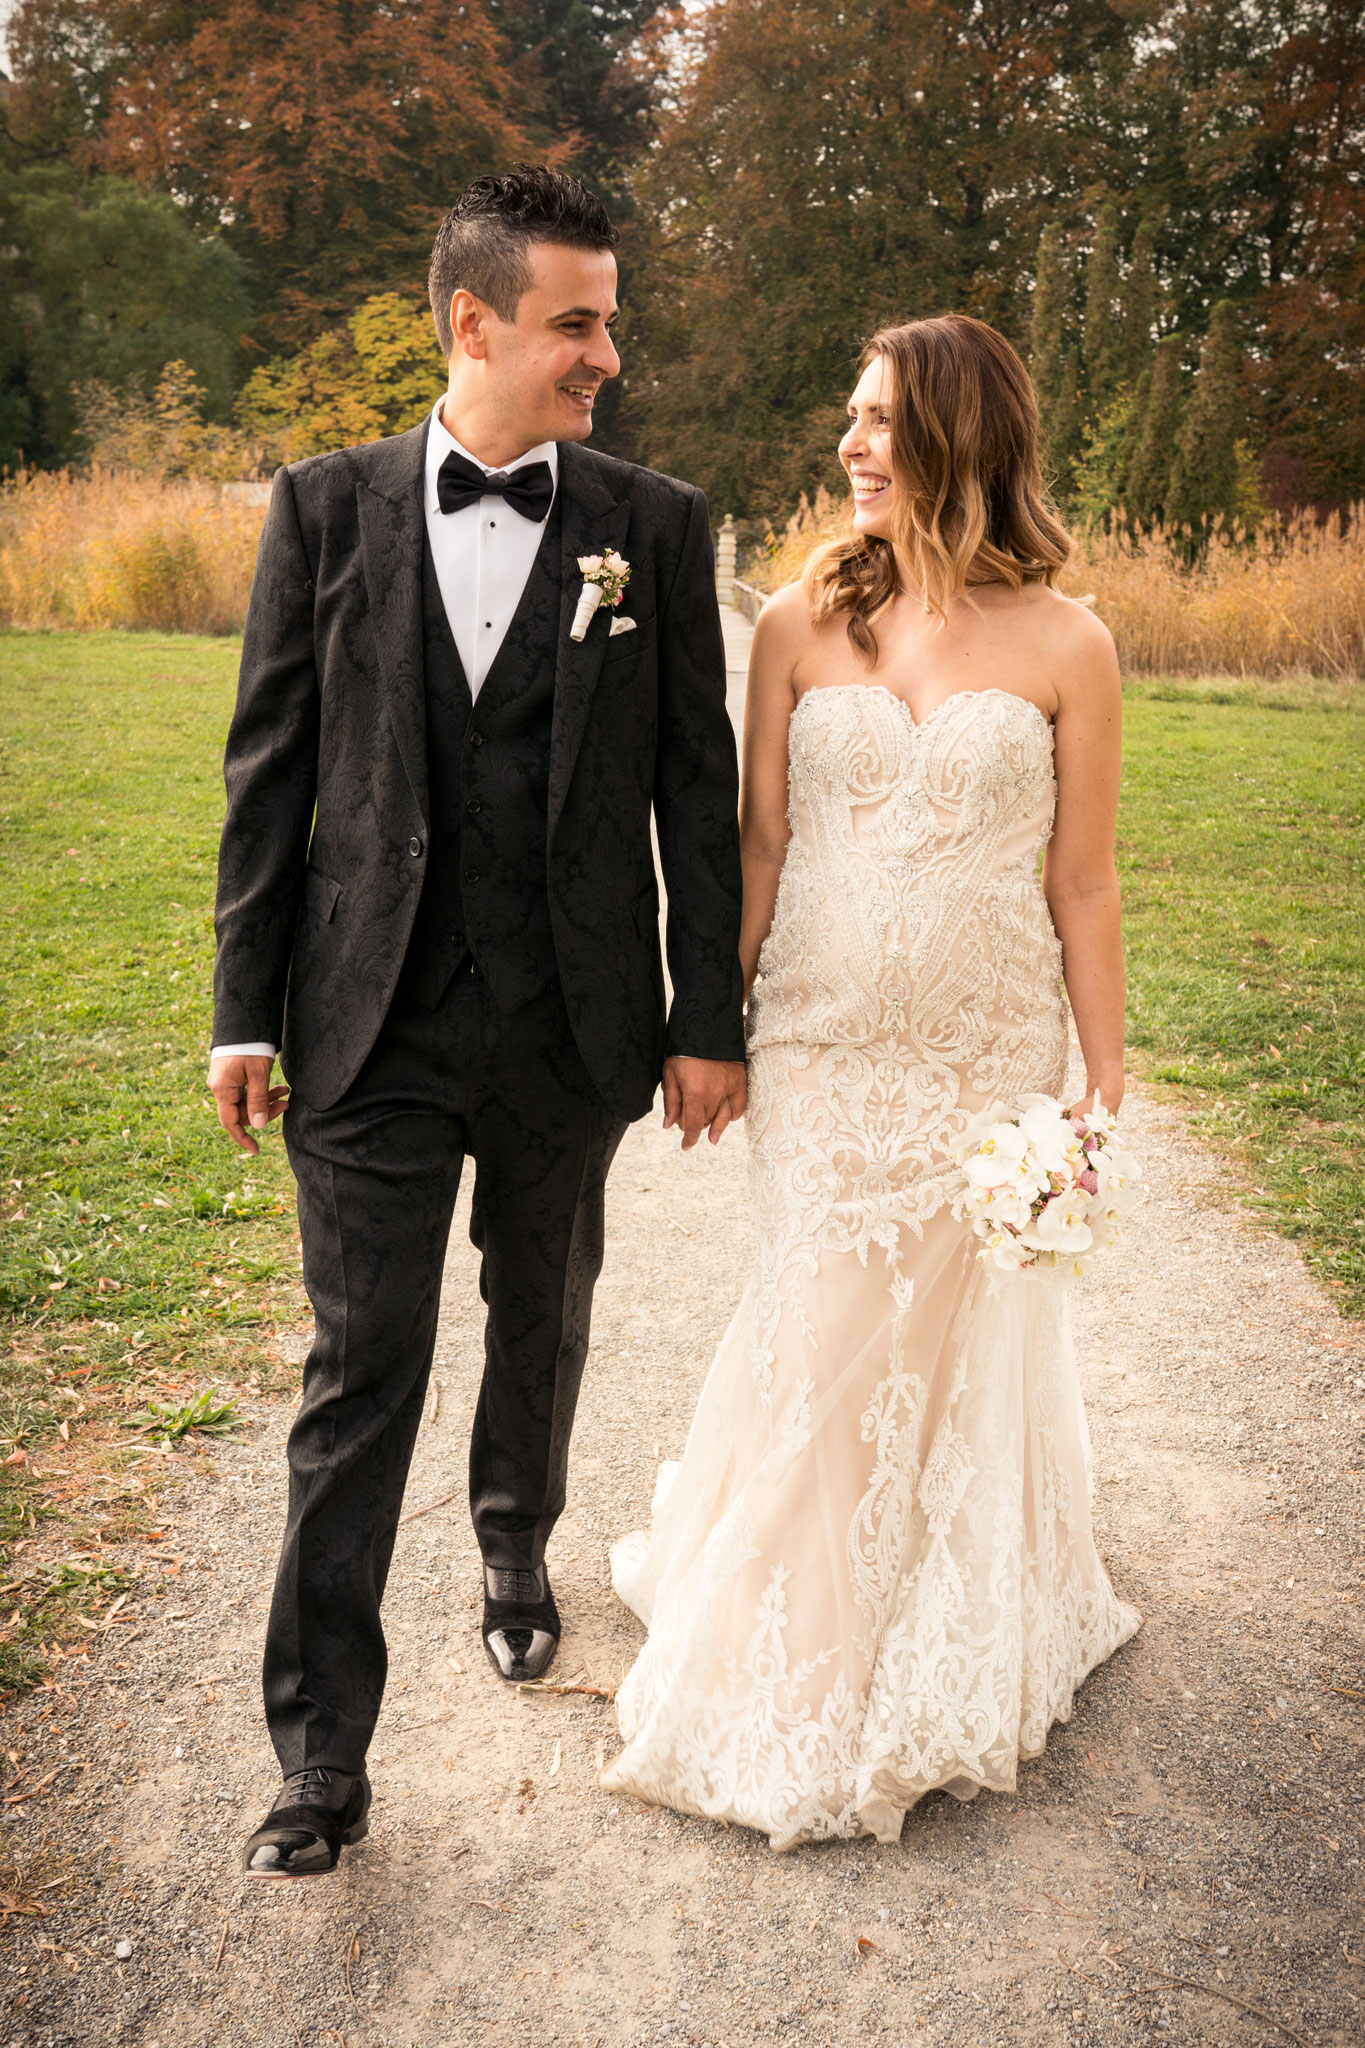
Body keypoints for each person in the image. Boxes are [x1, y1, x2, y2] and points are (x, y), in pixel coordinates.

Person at [208, 166, 746, 1879]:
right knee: (360, 1370)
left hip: (570, 1022)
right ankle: (319, 1752)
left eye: (609, 318)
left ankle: (515, 1545)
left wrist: (702, 1014)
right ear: (475, 322)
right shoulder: (322, 509)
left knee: (545, 1311)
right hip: (363, 1021)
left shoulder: (652, 526)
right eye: (577, 321)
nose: (607, 351)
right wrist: (240, 1009)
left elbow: (691, 786)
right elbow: (269, 771)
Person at [601, 314, 1141, 1849]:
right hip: (824, 1045)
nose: (849, 445)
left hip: (985, 1058)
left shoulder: (1068, 644)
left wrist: (1100, 1074)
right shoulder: (790, 623)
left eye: (880, 421)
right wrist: (709, 1023)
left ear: (960, 439)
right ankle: (803, 1657)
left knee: (951, 1343)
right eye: (848, 417)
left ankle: (952, 1606)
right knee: (826, 1328)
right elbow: (753, 846)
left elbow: (1083, 881)